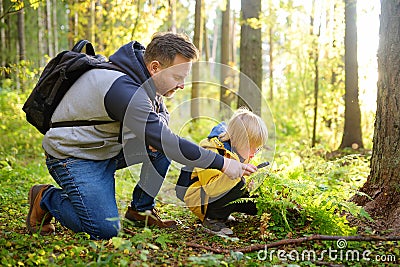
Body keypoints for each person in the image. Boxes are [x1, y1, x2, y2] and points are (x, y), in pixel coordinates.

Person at [26, 32, 257, 240]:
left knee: (161, 144)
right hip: (74, 157)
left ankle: (141, 210)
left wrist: (155, 136)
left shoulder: (145, 78)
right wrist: (223, 164)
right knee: (102, 229)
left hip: (106, 148)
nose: (183, 85)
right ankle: (45, 198)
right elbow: (166, 140)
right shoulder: (123, 90)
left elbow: (162, 123)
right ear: (155, 67)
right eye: (178, 77)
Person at [178, 108, 268, 235]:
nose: (253, 153)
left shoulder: (240, 150)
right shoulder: (210, 150)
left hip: (221, 191)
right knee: (238, 185)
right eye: (250, 147)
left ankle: (222, 213)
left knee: (254, 203)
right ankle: (212, 219)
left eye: (257, 148)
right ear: (236, 140)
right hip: (200, 198)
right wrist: (239, 174)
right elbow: (211, 189)